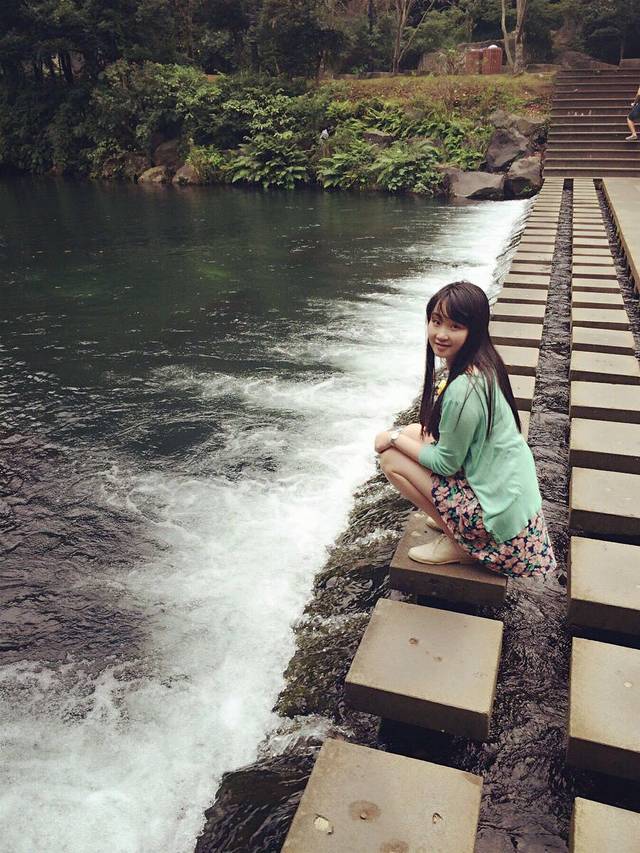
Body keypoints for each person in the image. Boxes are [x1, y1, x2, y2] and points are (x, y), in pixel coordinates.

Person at [375, 280, 556, 579]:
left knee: (391, 458)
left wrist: (391, 437)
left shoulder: (464, 388)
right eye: (436, 321)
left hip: (501, 534)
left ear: (474, 330)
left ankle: (461, 545)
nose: (441, 334)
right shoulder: (485, 363)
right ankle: (452, 524)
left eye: (455, 326)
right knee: (413, 432)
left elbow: (446, 464)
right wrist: (401, 435)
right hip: (513, 509)